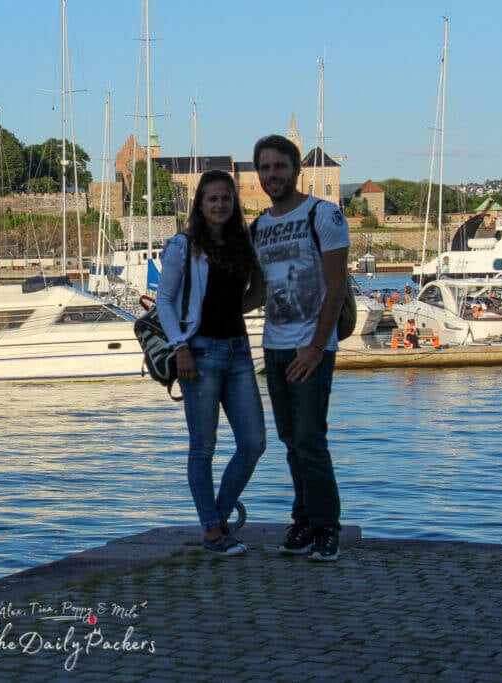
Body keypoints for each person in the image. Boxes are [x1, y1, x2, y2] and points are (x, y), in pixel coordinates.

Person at [156, 169, 267, 557]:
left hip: (238, 352)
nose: (220, 204)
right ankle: (213, 531)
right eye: (212, 198)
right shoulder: (182, 245)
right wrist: (180, 347)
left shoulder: (242, 243)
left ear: (234, 203)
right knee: (203, 446)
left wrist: (236, 308)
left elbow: (258, 290)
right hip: (199, 353)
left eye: (226, 198)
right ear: (200, 204)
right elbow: (165, 301)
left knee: (253, 443)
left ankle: (216, 518)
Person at [249, 134, 348, 562]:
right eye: (265, 168)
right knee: (291, 440)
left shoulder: (323, 215)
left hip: (311, 347)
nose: (273, 175)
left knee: (311, 439)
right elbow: (257, 291)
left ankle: (327, 527)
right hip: (275, 346)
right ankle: (304, 519)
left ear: (295, 169)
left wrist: (315, 346)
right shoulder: (259, 227)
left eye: (279, 167)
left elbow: (337, 285)